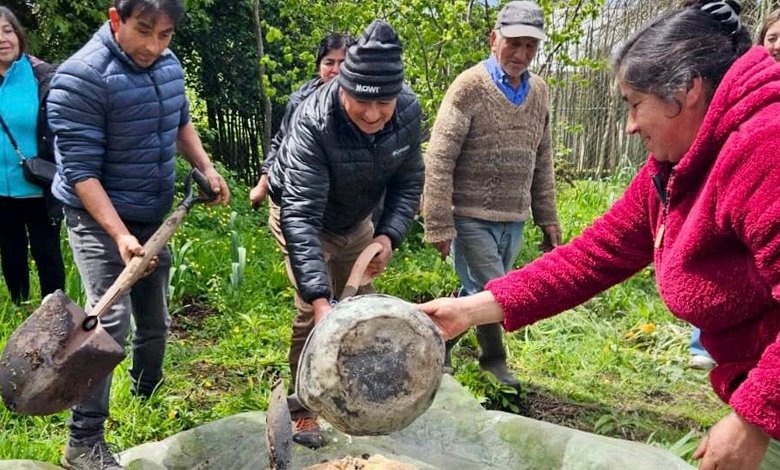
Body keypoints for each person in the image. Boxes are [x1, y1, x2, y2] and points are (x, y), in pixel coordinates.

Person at [420, 1, 780, 469]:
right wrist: (467, 311)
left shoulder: (764, 149)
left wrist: (754, 418)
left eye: (635, 105)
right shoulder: (676, 167)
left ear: (687, 91)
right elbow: (590, 257)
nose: (630, 125)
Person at [47, 1, 230, 468]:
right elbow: (83, 174)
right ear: (116, 19)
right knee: (107, 323)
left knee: (155, 319)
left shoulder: (167, 64)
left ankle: (147, 396)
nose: (153, 45)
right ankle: (83, 441)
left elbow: (180, 121)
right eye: (143, 30)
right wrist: (120, 236)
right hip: (98, 220)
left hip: (153, 213)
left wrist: (204, 168)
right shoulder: (80, 78)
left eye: (165, 34)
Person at [267, 19, 423, 449]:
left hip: (357, 221)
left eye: (384, 104)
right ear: (342, 89)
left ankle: (360, 395)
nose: (373, 115)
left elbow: (409, 180)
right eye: (360, 102)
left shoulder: (407, 112)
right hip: (304, 218)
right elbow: (300, 217)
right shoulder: (313, 121)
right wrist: (320, 300)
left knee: (362, 308)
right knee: (309, 315)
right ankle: (304, 409)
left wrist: (388, 235)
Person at [422, 0, 560, 388]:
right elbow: (440, 156)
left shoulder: (539, 92)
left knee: (475, 290)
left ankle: (436, 339)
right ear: (494, 38)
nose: (521, 54)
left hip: (513, 217)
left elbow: (543, 157)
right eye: (513, 43)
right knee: (495, 291)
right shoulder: (469, 87)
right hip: (470, 215)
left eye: (530, 47)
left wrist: (547, 217)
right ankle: (493, 362)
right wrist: (437, 222)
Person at [0, 6, 65, 304]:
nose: (2, 39)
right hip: (1, 191)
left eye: (7, 30)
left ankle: (55, 315)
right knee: (10, 253)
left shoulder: (42, 76)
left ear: (18, 35)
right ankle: (19, 309)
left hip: (39, 185)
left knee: (47, 253)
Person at [249, 32, 352, 207]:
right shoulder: (300, 101)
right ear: (319, 66)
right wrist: (262, 184)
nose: (336, 70)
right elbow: (281, 142)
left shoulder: (367, 105)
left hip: (348, 204)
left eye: (343, 63)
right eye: (329, 63)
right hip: (299, 195)